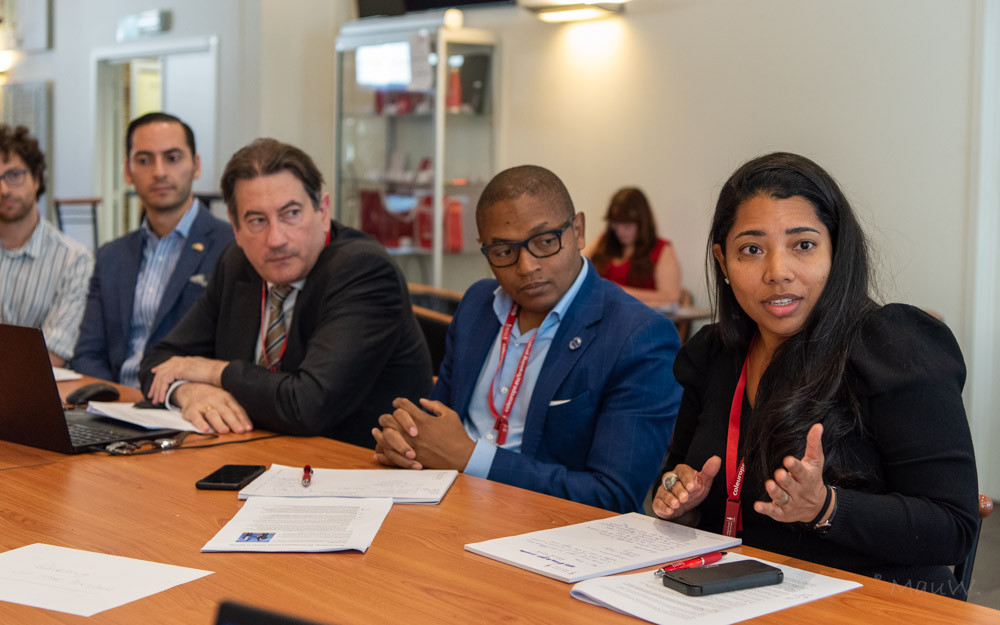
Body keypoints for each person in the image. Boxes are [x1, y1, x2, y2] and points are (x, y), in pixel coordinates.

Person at [651, 152, 978, 598]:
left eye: (803, 245)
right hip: (731, 597)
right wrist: (680, 500)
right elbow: (677, 479)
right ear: (723, 262)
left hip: (871, 603)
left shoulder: (893, 346)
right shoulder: (713, 354)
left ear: (837, 251)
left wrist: (826, 507)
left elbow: (953, 527)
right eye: (752, 250)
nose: (777, 273)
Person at [373, 165, 682, 513]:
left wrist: (470, 457)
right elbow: (436, 425)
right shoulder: (478, 304)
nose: (527, 267)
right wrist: (408, 443)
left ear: (578, 231)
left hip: (546, 529)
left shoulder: (638, 336)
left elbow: (614, 496)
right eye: (504, 251)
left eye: (545, 241)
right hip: (446, 510)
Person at [139, 138, 432, 447]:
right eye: (257, 221)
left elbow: (307, 405)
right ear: (236, 229)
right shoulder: (237, 264)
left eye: (291, 213)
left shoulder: (364, 271)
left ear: (323, 211)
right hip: (255, 451)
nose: (276, 239)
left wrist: (214, 372)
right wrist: (190, 391)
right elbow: (158, 362)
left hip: (350, 463)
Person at [71, 113, 233, 387]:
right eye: (144, 160)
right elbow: (88, 353)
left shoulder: (231, 247)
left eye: (172, 158)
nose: (159, 172)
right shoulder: (110, 256)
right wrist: (111, 400)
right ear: (128, 171)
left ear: (196, 166)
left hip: (187, 402)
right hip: (113, 401)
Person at [0, 124, 92, 366]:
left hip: (36, 384)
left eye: (14, 175)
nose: (4, 189)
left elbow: (52, 355)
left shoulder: (74, 259)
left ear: (36, 179)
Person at [585, 187, 682, 307]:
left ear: (642, 222)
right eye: (615, 224)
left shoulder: (662, 249)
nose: (620, 231)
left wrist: (617, 291)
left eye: (627, 224)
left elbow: (671, 298)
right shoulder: (603, 242)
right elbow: (577, 267)